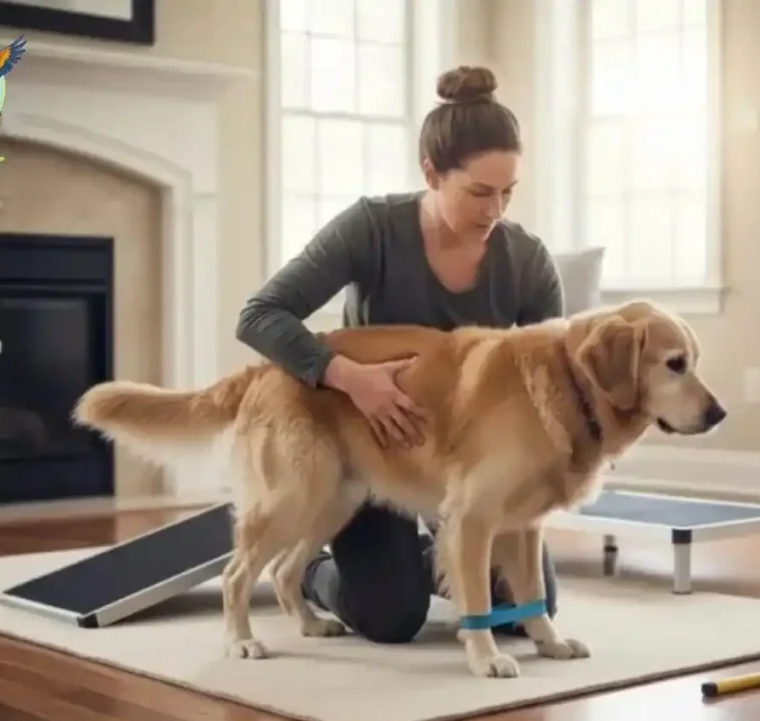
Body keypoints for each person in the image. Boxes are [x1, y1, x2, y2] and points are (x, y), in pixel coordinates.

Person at [235, 65, 565, 644]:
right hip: (371, 450)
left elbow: (554, 386)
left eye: (509, 192)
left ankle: (438, 553)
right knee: (390, 617)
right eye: (480, 192)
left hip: (469, 463)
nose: (496, 211)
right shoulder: (373, 228)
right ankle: (309, 570)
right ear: (431, 173)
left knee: (528, 610)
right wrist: (349, 377)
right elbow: (260, 316)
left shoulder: (527, 261)